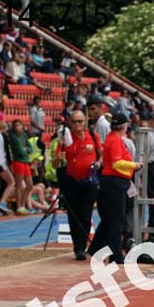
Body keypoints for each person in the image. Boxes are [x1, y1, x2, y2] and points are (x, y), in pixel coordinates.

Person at [89, 113, 141, 263]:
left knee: (109, 219)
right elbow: (117, 164)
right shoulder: (116, 141)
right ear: (125, 126)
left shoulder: (113, 139)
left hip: (113, 181)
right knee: (117, 220)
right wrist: (134, 165)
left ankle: (95, 248)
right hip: (115, 182)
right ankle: (115, 254)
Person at [56, 110, 100, 260]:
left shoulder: (93, 136)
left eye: (80, 121)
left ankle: (83, 245)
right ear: (70, 123)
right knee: (74, 215)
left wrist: (98, 163)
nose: (78, 125)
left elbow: (100, 153)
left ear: (85, 121)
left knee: (86, 214)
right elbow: (56, 163)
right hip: (72, 181)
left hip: (89, 182)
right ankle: (78, 247)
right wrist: (59, 158)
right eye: (75, 122)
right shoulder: (65, 140)